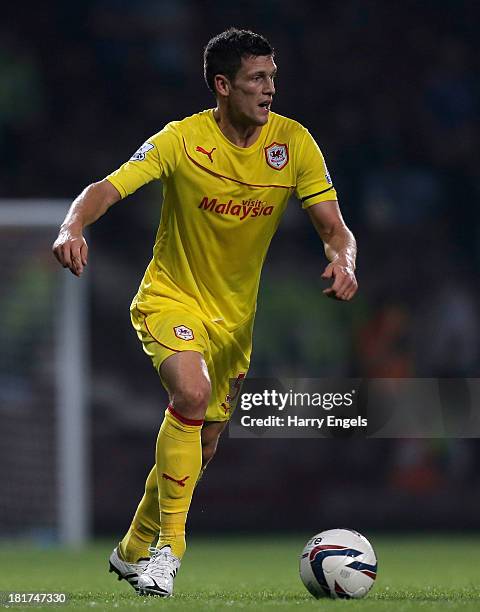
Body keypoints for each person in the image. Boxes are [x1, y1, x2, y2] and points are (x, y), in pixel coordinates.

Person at [52, 28, 358, 597]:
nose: (270, 89)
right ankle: (171, 551)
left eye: (272, 77)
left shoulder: (294, 144)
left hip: (234, 324)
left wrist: (346, 263)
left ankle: (131, 550)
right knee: (189, 397)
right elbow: (106, 187)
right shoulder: (182, 140)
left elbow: (335, 231)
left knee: (204, 442)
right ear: (223, 85)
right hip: (170, 297)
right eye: (257, 79)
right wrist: (73, 226)